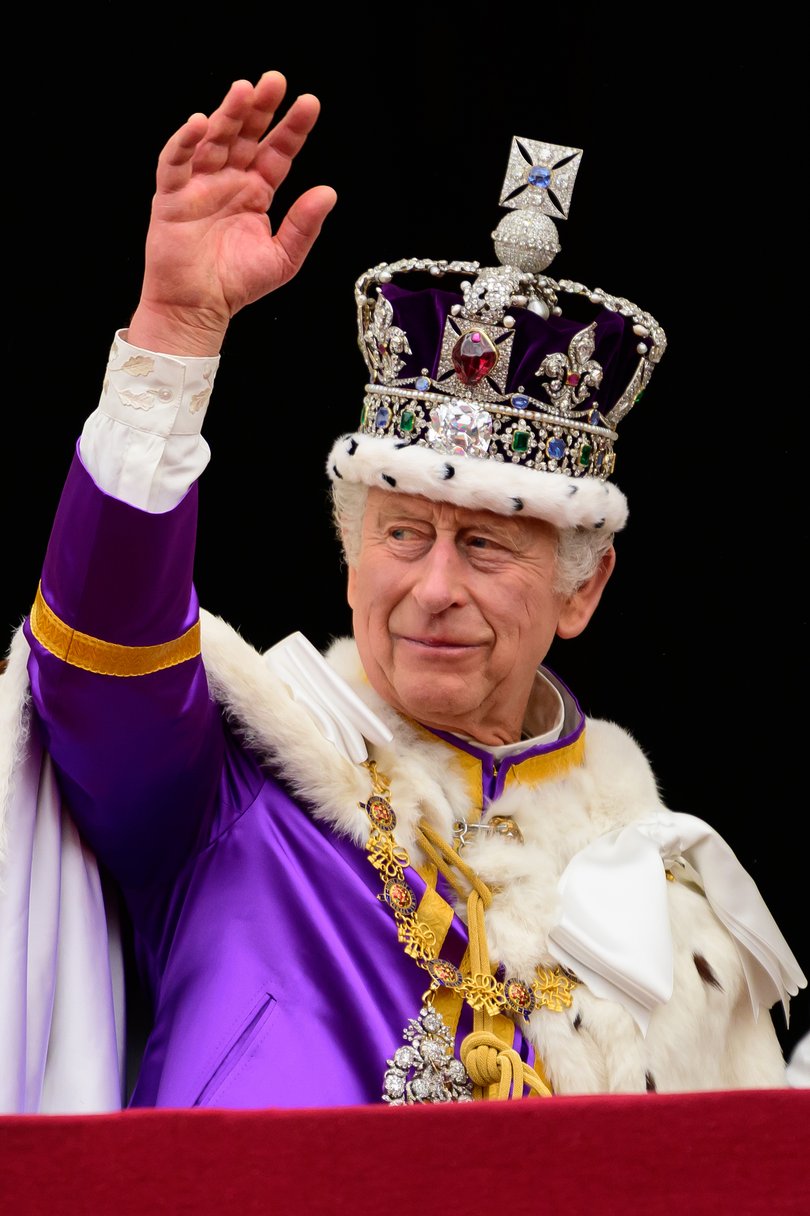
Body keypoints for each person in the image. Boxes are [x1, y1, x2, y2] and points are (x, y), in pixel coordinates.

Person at [0, 70, 806, 1114]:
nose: (432, 588)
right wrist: (174, 333)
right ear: (349, 556)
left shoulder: (682, 916)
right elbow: (98, 657)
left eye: (483, 546)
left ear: (583, 589)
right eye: (403, 535)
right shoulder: (240, 788)